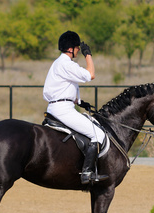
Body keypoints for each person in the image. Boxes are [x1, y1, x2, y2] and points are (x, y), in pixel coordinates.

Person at [43, 31, 108, 185]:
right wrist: (88, 55)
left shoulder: (57, 63)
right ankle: (87, 172)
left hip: (57, 107)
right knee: (97, 134)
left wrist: (79, 102)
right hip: (63, 110)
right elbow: (90, 75)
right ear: (71, 49)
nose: (79, 50)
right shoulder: (66, 64)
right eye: (77, 48)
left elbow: (65, 86)